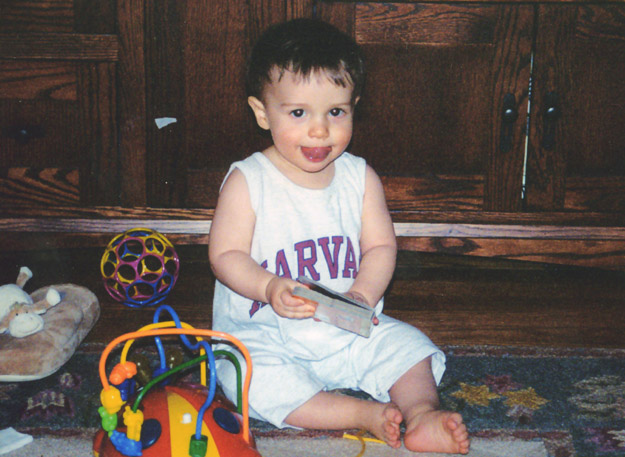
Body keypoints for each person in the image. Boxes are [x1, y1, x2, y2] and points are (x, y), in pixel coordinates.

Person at [208, 17, 469, 454]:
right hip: (267, 331)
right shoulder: (248, 181)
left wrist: (363, 295)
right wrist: (268, 286)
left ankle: (423, 413)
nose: (320, 129)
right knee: (247, 376)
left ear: (354, 107)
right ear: (262, 112)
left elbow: (380, 246)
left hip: (346, 326)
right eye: (298, 113)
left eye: (336, 112)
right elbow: (225, 255)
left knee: (409, 346)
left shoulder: (359, 178)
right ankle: (360, 414)